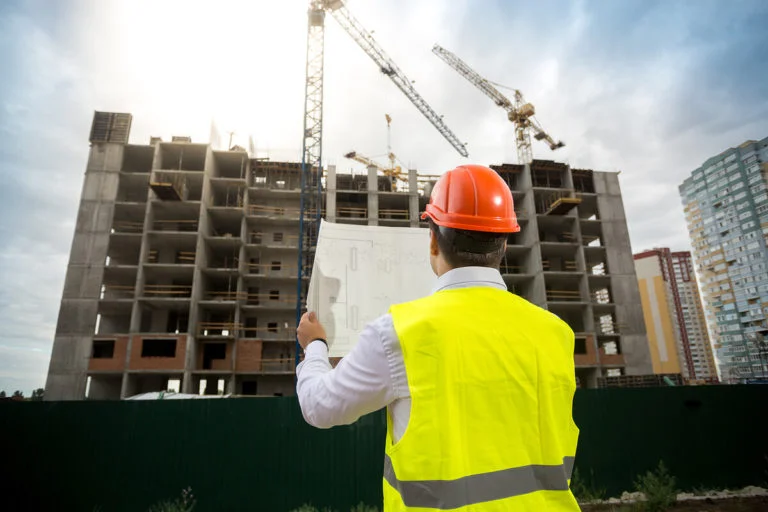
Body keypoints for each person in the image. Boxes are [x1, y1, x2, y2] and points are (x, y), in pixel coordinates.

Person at [296, 164, 580, 511]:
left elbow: (319, 406)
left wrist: (315, 347)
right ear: (504, 245)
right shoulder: (556, 333)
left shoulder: (399, 333)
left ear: (432, 240)